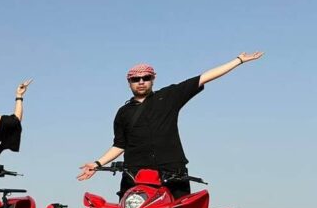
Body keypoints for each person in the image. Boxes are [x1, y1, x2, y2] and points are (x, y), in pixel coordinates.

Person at [77, 52, 264, 198]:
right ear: (129, 82)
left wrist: (238, 60)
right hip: (135, 174)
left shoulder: (168, 96)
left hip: (172, 171)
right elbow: (120, 144)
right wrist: (97, 163)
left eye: (146, 78)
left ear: (153, 79)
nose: (141, 82)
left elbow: (204, 77)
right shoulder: (123, 112)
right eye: (136, 79)